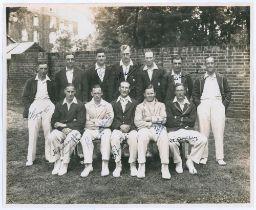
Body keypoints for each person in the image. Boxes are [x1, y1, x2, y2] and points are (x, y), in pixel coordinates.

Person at [192, 56, 232, 165]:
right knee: (204, 131)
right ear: (205, 65)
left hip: (218, 104)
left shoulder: (221, 78)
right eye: (208, 63)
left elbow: (228, 93)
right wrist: (199, 105)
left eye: (212, 63)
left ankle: (220, 157)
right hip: (203, 104)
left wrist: (223, 105)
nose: (210, 65)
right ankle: (204, 156)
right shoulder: (200, 79)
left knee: (219, 131)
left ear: (215, 64)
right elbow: (194, 94)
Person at [166, 83, 207, 174]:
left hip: (188, 130)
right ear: (174, 92)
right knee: (171, 142)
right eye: (178, 90)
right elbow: (169, 120)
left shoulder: (191, 104)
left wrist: (178, 118)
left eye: (181, 90)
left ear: (185, 91)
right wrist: (184, 119)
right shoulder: (169, 104)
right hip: (174, 130)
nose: (180, 93)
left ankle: (190, 160)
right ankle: (178, 162)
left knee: (203, 139)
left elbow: (192, 121)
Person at [47, 84, 86, 176]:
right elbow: (53, 121)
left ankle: (65, 163)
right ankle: (57, 162)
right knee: (52, 136)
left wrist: (66, 125)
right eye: (68, 91)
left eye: (72, 91)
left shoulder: (80, 105)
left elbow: (81, 123)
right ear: (65, 91)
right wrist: (63, 128)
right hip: (62, 130)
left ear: (75, 92)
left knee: (70, 139)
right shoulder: (59, 104)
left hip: (75, 131)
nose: (70, 94)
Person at [22, 62, 55, 166]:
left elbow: (56, 96)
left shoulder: (52, 82)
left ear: (47, 70)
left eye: (45, 68)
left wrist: (53, 107)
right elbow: (25, 97)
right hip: (35, 105)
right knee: (33, 131)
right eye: (41, 68)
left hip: (48, 106)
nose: (43, 71)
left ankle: (49, 155)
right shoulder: (30, 81)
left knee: (48, 131)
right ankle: (30, 158)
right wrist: (30, 108)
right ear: (37, 69)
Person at [134, 84, 171, 179]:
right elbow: (137, 122)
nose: (150, 95)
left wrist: (149, 118)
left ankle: (165, 166)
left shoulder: (161, 105)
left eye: (151, 93)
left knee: (164, 137)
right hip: (145, 129)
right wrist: (151, 123)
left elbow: (164, 120)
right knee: (141, 137)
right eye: (148, 93)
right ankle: (141, 165)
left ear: (155, 93)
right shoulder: (139, 106)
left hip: (159, 129)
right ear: (144, 94)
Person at [80, 85, 114, 177]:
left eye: (99, 93)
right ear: (91, 94)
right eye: (95, 93)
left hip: (104, 129)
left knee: (107, 137)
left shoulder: (108, 105)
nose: (97, 95)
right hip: (90, 129)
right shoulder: (86, 106)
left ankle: (105, 164)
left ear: (102, 93)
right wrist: (99, 122)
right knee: (85, 138)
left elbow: (109, 122)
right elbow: (86, 122)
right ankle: (88, 165)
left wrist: (95, 121)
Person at [110, 81, 138, 177]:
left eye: (126, 88)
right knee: (114, 137)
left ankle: (132, 165)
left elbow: (137, 119)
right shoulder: (113, 103)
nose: (124, 90)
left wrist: (129, 126)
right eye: (122, 87)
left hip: (131, 129)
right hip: (118, 129)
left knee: (134, 138)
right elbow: (111, 120)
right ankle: (118, 165)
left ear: (129, 90)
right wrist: (119, 126)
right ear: (119, 89)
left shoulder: (134, 103)